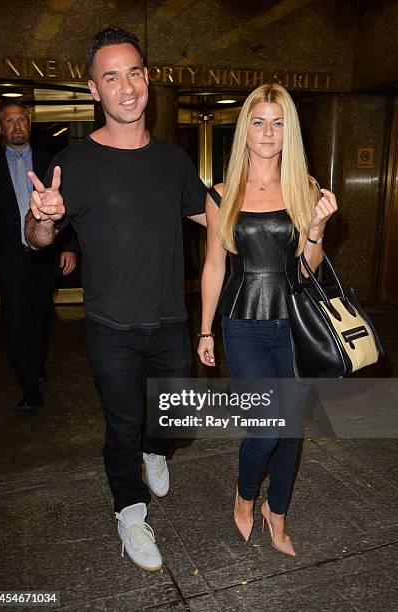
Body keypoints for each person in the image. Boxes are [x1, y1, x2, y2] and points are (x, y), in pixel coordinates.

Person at [25, 27, 206, 572]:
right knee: (122, 426)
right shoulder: (73, 163)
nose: (126, 87)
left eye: (134, 73)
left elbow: (213, 219)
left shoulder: (173, 160)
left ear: (146, 79)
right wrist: (43, 218)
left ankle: (157, 449)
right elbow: (35, 238)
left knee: (174, 422)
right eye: (111, 77)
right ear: (94, 90)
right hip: (110, 325)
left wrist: (286, 216)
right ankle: (130, 515)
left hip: (171, 319)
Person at [197, 83, 337, 556]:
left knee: (290, 429)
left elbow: (307, 269)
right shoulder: (222, 191)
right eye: (259, 121)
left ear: (288, 130)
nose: (268, 132)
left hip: (293, 323)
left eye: (278, 123)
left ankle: (277, 513)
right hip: (242, 323)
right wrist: (204, 328)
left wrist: (315, 230)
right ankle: (244, 493)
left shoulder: (306, 187)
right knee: (266, 428)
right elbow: (215, 265)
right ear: (245, 129)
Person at [0, 101, 77, 410]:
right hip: (8, 258)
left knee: (41, 316)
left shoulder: (50, 162)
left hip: (45, 256)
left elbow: (68, 208)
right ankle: (29, 385)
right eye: (9, 121)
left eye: (21, 120)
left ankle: (36, 362)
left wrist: (68, 246)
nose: (16, 126)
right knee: (15, 320)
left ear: (30, 124)